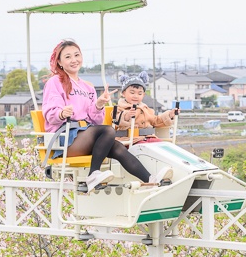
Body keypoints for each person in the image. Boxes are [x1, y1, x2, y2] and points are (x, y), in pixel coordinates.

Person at [42, 40, 171, 191]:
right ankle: (93, 174)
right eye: (68, 57)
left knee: (117, 147)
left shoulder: (87, 87)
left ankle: (150, 179)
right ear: (59, 62)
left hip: (83, 135)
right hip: (65, 138)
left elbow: (95, 120)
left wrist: (99, 104)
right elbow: (50, 113)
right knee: (108, 130)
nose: (74, 60)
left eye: (77, 55)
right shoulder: (55, 82)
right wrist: (61, 113)